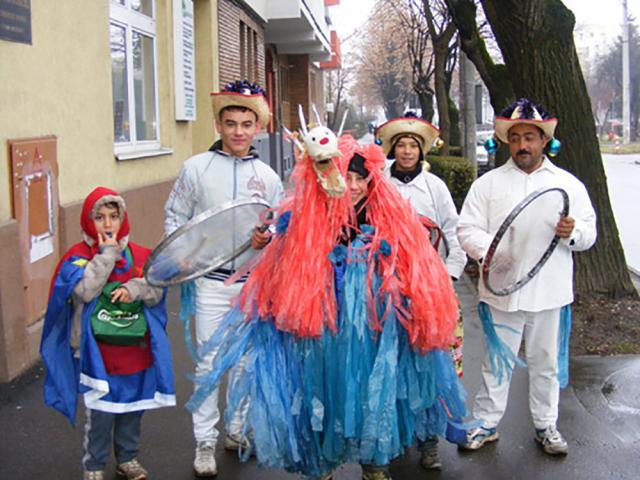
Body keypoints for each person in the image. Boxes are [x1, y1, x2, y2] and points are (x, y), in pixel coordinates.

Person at [185, 133, 466, 480]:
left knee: (370, 384)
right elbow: (285, 252)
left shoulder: (386, 211)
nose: (351, 186)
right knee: (321, 382)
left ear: (370, 179)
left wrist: (386, 259)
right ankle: (322, 462)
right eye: (344, 177)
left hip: (372, 316)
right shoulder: (312, 213)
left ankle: (373, 462)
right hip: (324, 313)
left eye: (358, 178)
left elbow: (414, 257)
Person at [456, 98, 597, 456]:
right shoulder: (488, 184)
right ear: (508, 141)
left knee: (545, 363)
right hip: (501, 291)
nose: (522, 145)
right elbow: (467, 228)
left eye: (530, 137)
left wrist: (573, 230)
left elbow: (589, 232)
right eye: (516, 137)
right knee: (495, 363)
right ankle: (486, 423)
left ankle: (546, 425)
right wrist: (494, 251)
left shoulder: (568, 184)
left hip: (549, 291)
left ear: (543, 140)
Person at [164, 80, 283, 477]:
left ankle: (235, 429)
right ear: (218, 124)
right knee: (209, 365)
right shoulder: (195, 168)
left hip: (252, 285)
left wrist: (268, 239)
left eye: (246, 124)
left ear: (257, 127)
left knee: (246, 363)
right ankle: (204, 442)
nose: (238, 131)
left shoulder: (268, 176)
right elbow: (174, 218)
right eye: (230, 123)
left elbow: (279, 226)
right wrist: (183, 258)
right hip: (210, 283)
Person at [41, 187, 175, 480]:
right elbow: (85, 291)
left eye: (114, 216)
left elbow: (156, 291)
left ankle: (127, 459)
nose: (108, 224)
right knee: (101, 413)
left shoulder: (140, 255)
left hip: (133, 347)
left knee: (132, 407)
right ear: (89, 222)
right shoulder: (76, 258)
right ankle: (95, 465)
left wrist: (134, 288)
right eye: (99, 217)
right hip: (96, 352)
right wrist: (107, 256)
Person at [376, 113, 466, 470]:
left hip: (431, 291)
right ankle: (398, 435)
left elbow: (454, 232)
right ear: (393, 148)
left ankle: (429, 440)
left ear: (422, 150)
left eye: (414, 145)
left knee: (431, 364)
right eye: (401, 144)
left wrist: (447, 277)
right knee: (393, 365)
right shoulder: (378, 183)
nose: (408, 150)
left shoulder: (436, 188)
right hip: (388, 291)